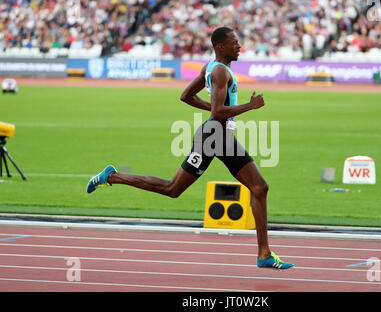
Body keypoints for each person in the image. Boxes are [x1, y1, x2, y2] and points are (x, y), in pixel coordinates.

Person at [86, 26, 294, 270]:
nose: (239, 47)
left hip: (218, 135)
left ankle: (264, 254)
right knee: (175, 188)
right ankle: (111, 176)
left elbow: (186, 96)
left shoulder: (211, 68)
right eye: (235, 43)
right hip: (214, 137)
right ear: (221, 47)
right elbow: (217, 111)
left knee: (258, 188)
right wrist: (250, 106)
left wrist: (219, 114)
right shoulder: (218, 71)